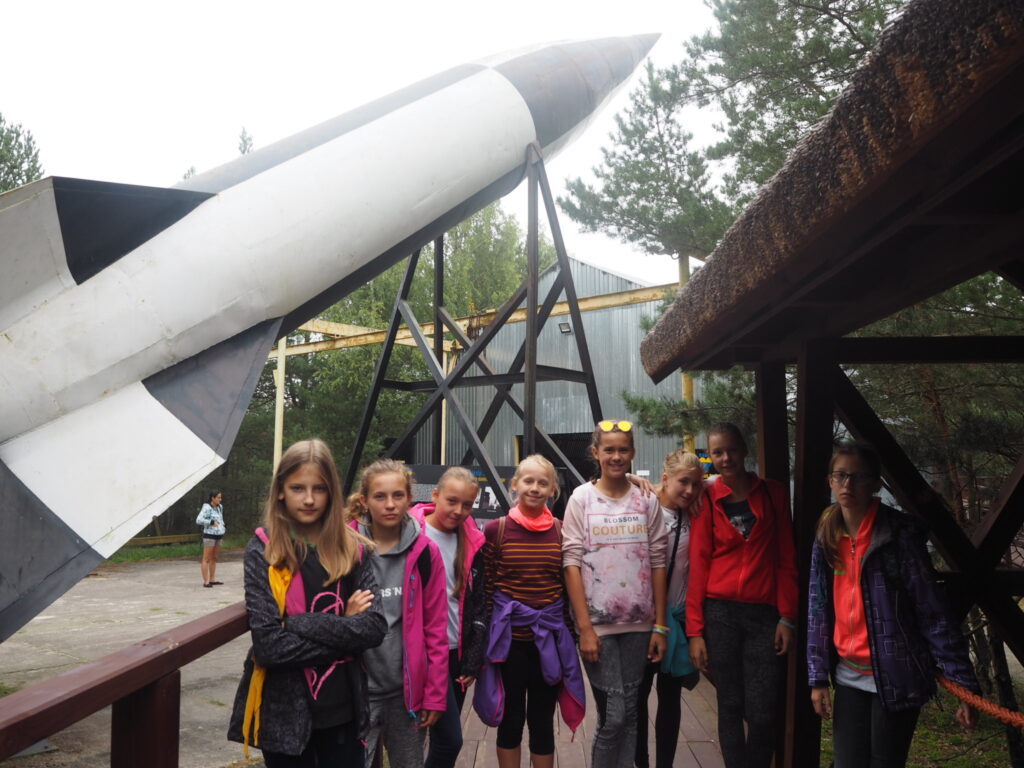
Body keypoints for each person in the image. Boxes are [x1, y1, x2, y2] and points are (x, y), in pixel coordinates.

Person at [807, 441, 980, 767]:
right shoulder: (827, 535)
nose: (847, 484)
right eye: (840, 475)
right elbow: (818, 610)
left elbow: (933, 614)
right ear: (830, 480)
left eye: (858, 477)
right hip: (848, 675)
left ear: (875, 483)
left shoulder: (898, 537)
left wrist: (963, 684)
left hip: (897, 677)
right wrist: (817, 677)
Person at [227, 438, 387, 767]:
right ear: (280, 491)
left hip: (344, 711)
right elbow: (270, 647)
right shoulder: (264, 549)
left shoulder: (354, 549)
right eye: (298, 488)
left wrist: (300, 623)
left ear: (332, 492)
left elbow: (373, 628)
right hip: (284, 714)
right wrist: (344, 627)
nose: (310, 499)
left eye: (320, 488)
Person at [686, 422, 797, 768]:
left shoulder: (772, 493)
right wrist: (695, 631)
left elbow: (786, 557)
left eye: (731, 449)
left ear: (744, 449)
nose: (725, 458)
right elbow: (698, 564)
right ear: (710, 456)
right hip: (720, 613)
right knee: (730, 704)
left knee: (762, 709)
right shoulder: (706, 498)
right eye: (717, 452)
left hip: (764, 615)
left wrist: (787, 616)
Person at [563, 420, 668, 768]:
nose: (616, 456)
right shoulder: (581, 499)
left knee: (633, 714)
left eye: (623, 449)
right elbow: (571, 563)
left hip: (640, 625)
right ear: (596, 453)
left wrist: (660, 626)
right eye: (609, 450)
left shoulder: (646, 499)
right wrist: (585, 628)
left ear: (633, 452)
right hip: (598, 627)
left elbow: (658, 561)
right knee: (614, 716)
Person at [474, 454, 585, 768]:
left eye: (543, 483)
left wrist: (570, 639)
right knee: (510, 720)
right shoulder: (496, 530)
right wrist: (486, 641)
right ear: (515, 485)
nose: (535, 488)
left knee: (542, 720)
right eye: (528, 481)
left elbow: (566, 587)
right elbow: (488, 588)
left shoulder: (562, 532)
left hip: (549, 642)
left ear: (552, 490)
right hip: (509, 644)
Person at [347, 459, 448, 768]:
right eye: (380, 496)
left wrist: (434, 694)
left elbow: (436, 629)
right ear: (365, 500)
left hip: (406, 694)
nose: (390, 504)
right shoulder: (345, 548)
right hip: (356, 692)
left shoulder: (425, 553)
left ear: (410, 498)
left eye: (398, 495)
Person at [410, 467, 488, 768]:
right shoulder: (411, 533)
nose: (458, 511)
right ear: (435, 495)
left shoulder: (472, 541)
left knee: (441, 738)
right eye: (451, 501)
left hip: (455, 651)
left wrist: (473, 657)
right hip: (423, 653)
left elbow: (478, 603)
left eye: (467, 505)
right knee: (447, 739)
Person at [634, 450, 704, 768]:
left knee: (671, 698)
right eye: (683, 482)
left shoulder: (694, 512)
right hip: (644, 621)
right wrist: (632, 478)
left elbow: (724, 480)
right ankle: (641, 762)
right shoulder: (644, 506)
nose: (690, 490)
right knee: (638, 698)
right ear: (665, 479)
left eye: (696, 484)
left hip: (677, 619)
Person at [197, 490, 226, 587]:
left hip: (219, 535)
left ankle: (212, 579)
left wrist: (222, 527)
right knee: (206, 558)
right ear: (212, 498)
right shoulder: (206, 507)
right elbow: (198, 520)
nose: (220, 499)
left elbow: (220, 519)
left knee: (215, 558)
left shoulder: (220, 507)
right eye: (218, 497)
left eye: (220, 497)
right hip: (209, 536)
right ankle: (206, 581)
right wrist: (211, 522)